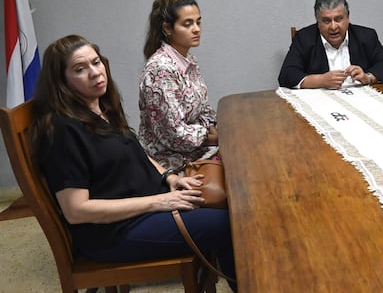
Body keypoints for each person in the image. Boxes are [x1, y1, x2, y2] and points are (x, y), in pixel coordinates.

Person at [32, 35, 237, 291]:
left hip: (145, 208)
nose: (95, 73)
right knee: (231, 225)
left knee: (233, 204)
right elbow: (77, 210)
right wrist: (158, 202)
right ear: (61, 82)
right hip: (115, 233)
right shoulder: (62, 131)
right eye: (80, 69)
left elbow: (136, 152)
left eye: (96, 63)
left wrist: (170, 178)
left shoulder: (99, 109)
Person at [138, 0, 217, 171]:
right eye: (187, 24)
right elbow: (173, 135)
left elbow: (202, 107)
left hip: (195, 149)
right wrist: (211, 137)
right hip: (168, 163)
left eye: (198, 22)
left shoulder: (188, 58)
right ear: (167, 28)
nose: (196, 29)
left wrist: (213, 127)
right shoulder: (161, 69)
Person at [278, 0, 383, 89]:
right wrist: (321, 80)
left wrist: (368, 77)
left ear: (348, 18)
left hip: (361, 100)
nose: (333, 27)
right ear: (317, 21)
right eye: (326, 21)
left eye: (339, 19)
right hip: (321, 102)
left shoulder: (366, 36)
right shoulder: (304, 38)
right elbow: (286, 75)